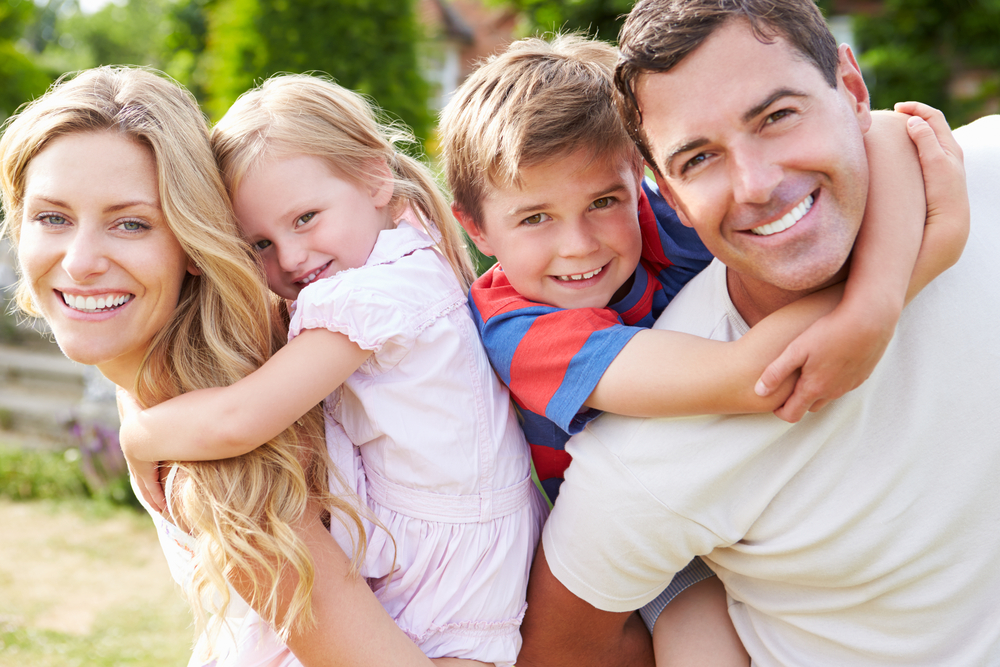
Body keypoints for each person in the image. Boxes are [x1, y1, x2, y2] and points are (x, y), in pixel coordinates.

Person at [438, 34, 966, 666]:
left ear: (639, 180)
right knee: (698, 642)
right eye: (535, 219)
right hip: (639, 554)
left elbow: (880, 130)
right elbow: (748, 376)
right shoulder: (519, 329)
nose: (579, 245)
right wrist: (908, 270)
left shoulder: (662, 220)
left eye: (603, 202)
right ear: (475, 227)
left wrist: (878, 290)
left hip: (739, 511)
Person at [0, 66, 488, 667]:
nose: (80, 262)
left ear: (197, 244)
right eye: (52, 217)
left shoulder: (219, 455)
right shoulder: (182, 382)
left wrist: (136, 437)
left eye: (131, 223)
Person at [117, 73, 547, 667]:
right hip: (456, 564)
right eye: (259, 245)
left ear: (374, 176)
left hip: (442, 578)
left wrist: (139, 437)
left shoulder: (371, 297)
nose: (291, 258)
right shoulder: (411, 255)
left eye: (305, 218)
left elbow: (241, 419)